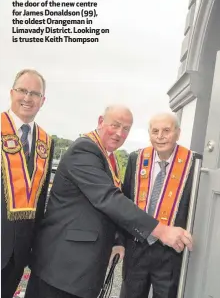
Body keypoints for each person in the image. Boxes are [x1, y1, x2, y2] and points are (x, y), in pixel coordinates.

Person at [25, 105, 193, 298]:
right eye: (115, 125)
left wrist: (116, 241)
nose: (119, 133)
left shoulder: (107, 155)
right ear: (100, 122)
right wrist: (162, 230)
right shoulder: (85, 149)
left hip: (77, 271)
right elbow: (109, 198)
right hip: (62, 269)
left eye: (126, 129)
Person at [119, 112, 201, 298]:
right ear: (149, 134)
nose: (160, 136)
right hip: (137, 246)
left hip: (171, 253)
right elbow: (125, 201)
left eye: (166, 130)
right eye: (155, 131)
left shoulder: (194, 163)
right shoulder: (136, 159)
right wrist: (120, 241)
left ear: (178, 133)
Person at [1, 69, 54, 298]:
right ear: (12, 92)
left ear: (42, 101)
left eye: (35, 93)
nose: (28, 98)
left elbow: (40, 200)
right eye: (23, 90)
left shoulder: (46, 142)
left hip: (19, 253)